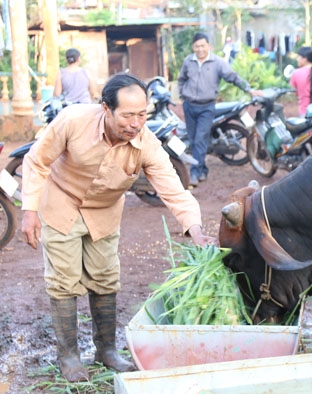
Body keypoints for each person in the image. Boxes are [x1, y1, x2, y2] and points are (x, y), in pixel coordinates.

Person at [20, 73, 217, 382]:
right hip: (62, 203)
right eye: (127, 115)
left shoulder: (146, 143)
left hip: (104, 212)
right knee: (63, 281)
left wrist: (194, 227)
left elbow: (173, 188)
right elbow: (37, 161)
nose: (136, 123)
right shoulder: (72, 120)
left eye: (142, 115)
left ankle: (107, 350)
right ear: (106, 109)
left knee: (105, 278)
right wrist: (29, 210)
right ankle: (69, 356)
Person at [178, 32, 261, 186]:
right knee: (193, 139)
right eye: (197, 46)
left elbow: (233, 77)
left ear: (208, 46)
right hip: (189, 106)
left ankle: (195, 174)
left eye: (203, 46)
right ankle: (203, 170)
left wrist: (248, 90)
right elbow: (181, 79)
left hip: (207, 107)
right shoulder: (188, 61)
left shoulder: (217, 62)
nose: (200, 49)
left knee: (199, 139)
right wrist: (182, 94)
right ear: (193, 47)